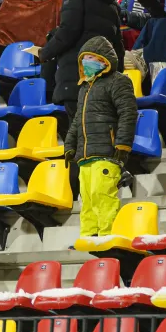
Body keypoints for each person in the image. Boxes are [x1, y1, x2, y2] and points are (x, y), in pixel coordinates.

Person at [38, 0, 124, 120]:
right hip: (102, 78)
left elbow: (69, 29)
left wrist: (45, 52)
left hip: (77, 76)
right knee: (95, 131)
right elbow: (117, 43)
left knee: (78, 131)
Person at [63, 36, 137, 231]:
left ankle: (107, 240)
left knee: (103, 199)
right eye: (84, 59)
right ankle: (89, 240)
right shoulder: (84, 88)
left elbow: (128, 113)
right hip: (85, 157)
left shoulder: (119, 81)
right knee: (87, 203)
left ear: (104, 60)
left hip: (107, 153)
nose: (86, 63)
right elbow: (77, 120)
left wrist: (122, 145)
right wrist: (69, 145)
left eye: (91, 58)